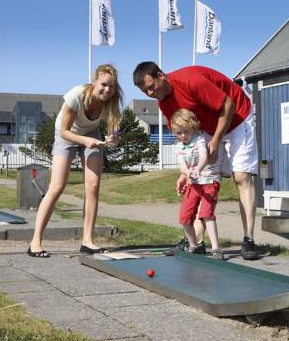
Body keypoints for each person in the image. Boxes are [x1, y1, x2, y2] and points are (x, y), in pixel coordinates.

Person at [133, 62, 260, 260]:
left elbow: (228, 105)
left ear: (161, 75)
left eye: (151, 87)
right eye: (145, 91)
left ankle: (248, 240)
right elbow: (182, 137)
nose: (150, 93)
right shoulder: (164, 102)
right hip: (207, 127)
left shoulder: (191, 81)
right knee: (202, 180)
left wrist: (216, 140)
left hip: (237, 116)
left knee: (242, 177)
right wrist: (185, 172)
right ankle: (196, 241)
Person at [27, 64, 123, 258]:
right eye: (103, 85)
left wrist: (113, 139)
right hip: (67, 134)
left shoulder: (112, 101)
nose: (107, 90)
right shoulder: (75, 96)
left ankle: (87, 241)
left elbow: (114, 133)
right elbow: (64, 131)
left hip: (91, 132)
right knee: (57, 186)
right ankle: (35, 242)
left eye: (111, 86)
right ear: (94, 81)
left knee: (93, 186)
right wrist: (84, 141)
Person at [171, 109, 224, 260]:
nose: (183, 136)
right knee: (185, 217)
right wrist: (188, 173)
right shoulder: (179, 146)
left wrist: (198, 169)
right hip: (194, 183)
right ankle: (193, 245)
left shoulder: (199, 140)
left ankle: (216, 248)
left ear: (193, 128)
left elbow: (203, 157)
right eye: (179, 133)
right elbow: (182, 165)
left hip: (209, 180)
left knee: (206, 214)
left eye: (186, 132)